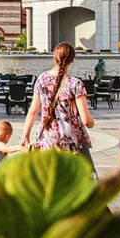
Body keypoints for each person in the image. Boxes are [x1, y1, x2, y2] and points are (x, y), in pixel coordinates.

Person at [20, 43, 97, 174]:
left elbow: (33, 111)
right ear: (73, 59)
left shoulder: (42, 79)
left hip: (48, 135)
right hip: (71, 139)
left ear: (54, 57)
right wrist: (92, 122)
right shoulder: (76, 84)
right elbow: (85, 120)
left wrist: (25, 135)